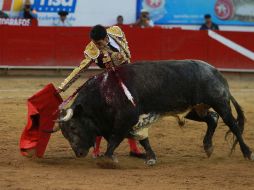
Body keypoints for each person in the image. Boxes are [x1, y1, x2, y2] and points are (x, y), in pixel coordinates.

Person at [57, 25, 145, 159]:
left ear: (105, 37)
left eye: (98, 43)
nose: (95, 45)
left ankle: (134, 148)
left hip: (128, 77)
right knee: (101, 115)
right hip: (110, 82)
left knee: (131, 114)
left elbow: (127, 55)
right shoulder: (92, 49)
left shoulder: (117, 31)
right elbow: (79, 70)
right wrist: (62, 87)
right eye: (94, 42)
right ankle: (96, 150)